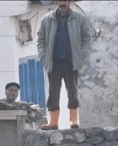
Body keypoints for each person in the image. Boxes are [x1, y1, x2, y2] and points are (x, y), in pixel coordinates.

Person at [37, 0, 92, 130]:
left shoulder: (79, 18)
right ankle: (53, 122)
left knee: (72, 92)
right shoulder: (47, 19)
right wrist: (44, 57)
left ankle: (73, 120)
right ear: (57, 2)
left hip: (71, 62)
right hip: (53, 62)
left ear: (69, 2)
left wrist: (81, 55)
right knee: (53, 93)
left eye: (65, 0)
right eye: (60, 0)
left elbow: (87, 38)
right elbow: (41, 40)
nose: (63, 3)